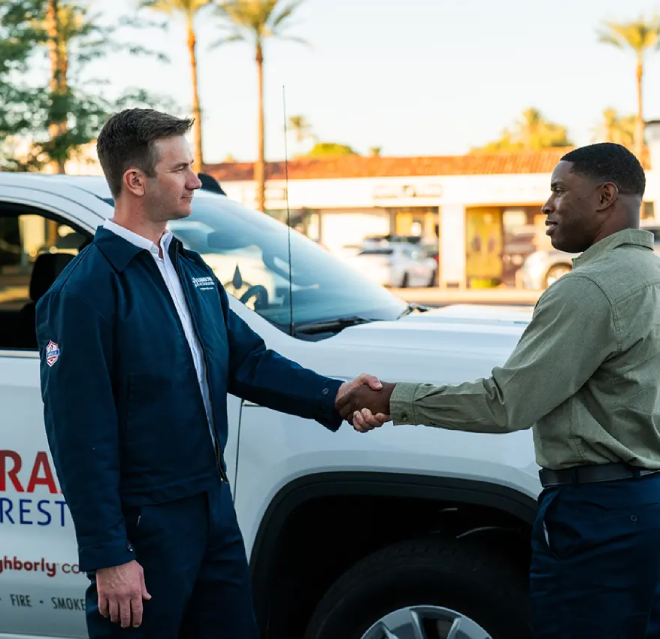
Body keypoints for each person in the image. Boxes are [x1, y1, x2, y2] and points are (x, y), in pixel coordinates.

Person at [35, 108, 381, 639]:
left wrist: (333, 395)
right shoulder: (85, 294)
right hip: (146, 525)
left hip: (213, 509)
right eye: (179, 169)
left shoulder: (189, 267)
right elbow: (81, 438)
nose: (195, 180)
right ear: (135, 180)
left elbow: (246, 360)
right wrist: (109, 556)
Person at [337, 142, 660, 638]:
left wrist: (391, 399)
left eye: (558, 190)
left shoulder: (588, 289)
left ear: (605, 196)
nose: (546, 206)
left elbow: (506, 404)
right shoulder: (652, 275)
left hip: (599, 518)